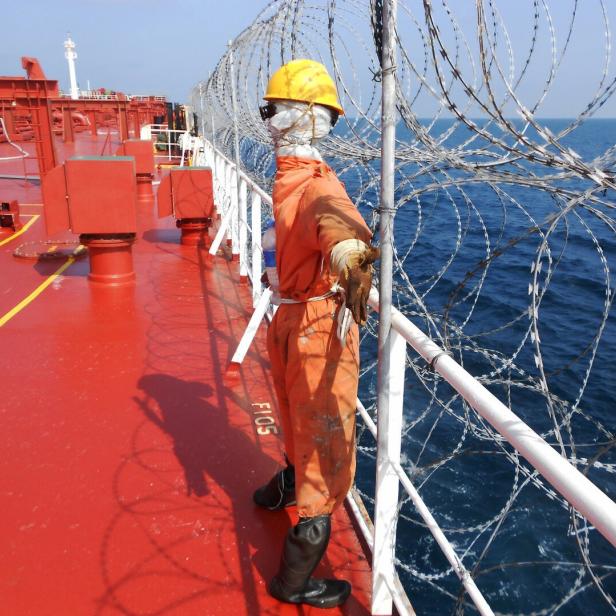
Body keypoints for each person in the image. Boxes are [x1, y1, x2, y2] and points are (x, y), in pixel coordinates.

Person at [252, 59, 379, 609]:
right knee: (328, 452)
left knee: (293, 415)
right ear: (320, 121)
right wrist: (350, 253)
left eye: (272, 111)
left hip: (289, 320)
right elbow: (335, 220)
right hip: (318, 330)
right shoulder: (312, 185)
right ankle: (294, 581)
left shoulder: (291, 179)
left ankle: (281, 484)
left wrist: (343, 250)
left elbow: (325, 223)